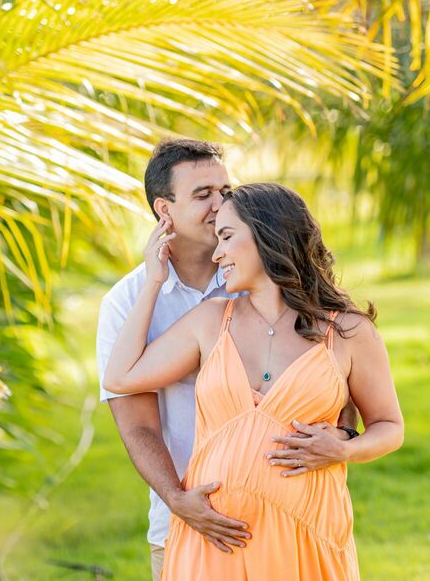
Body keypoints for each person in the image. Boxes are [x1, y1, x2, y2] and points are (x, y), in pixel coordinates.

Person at [104, 182, 405, 580]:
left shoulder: (348, 331)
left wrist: (344, 449)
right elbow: (120, 376)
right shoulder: (211, 320)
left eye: (227, 237)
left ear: (268, 235)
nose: (217, 253)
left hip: (306, 538)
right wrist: (154, 280)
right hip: (214, 543)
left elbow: (389, 426)